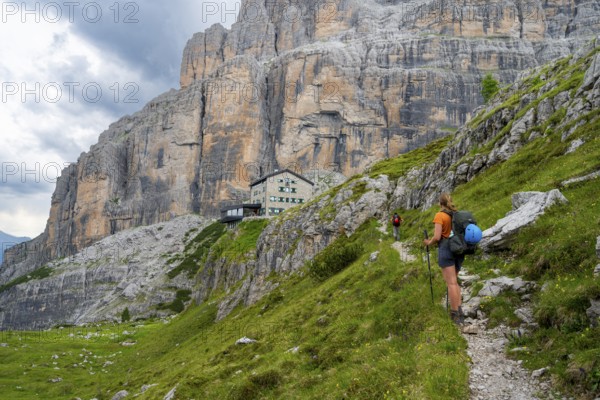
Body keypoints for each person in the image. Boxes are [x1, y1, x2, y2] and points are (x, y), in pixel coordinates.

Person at [423, 193, 464, 325]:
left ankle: (454, 315)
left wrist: (429, 242)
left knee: (450, 283)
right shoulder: (455, 214)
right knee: (455, 282)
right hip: (458, 248)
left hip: (446, 248)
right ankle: (459, 311)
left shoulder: (440, 215)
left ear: (440, 203)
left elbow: (437, 236)